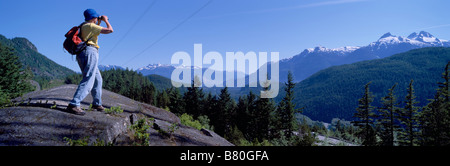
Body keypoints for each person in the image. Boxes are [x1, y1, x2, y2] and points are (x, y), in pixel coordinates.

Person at [66, 9, 113, 115]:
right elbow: (110, 30)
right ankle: (74, 104)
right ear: (93, 18)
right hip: (90, 52)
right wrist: (105, 20)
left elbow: (95, 30)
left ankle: (97, 103)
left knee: (97, 79)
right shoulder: (90, 26)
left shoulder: (85, 25)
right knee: (89, 79)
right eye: (96, 17)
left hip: (84, 53)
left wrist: (98, 21)